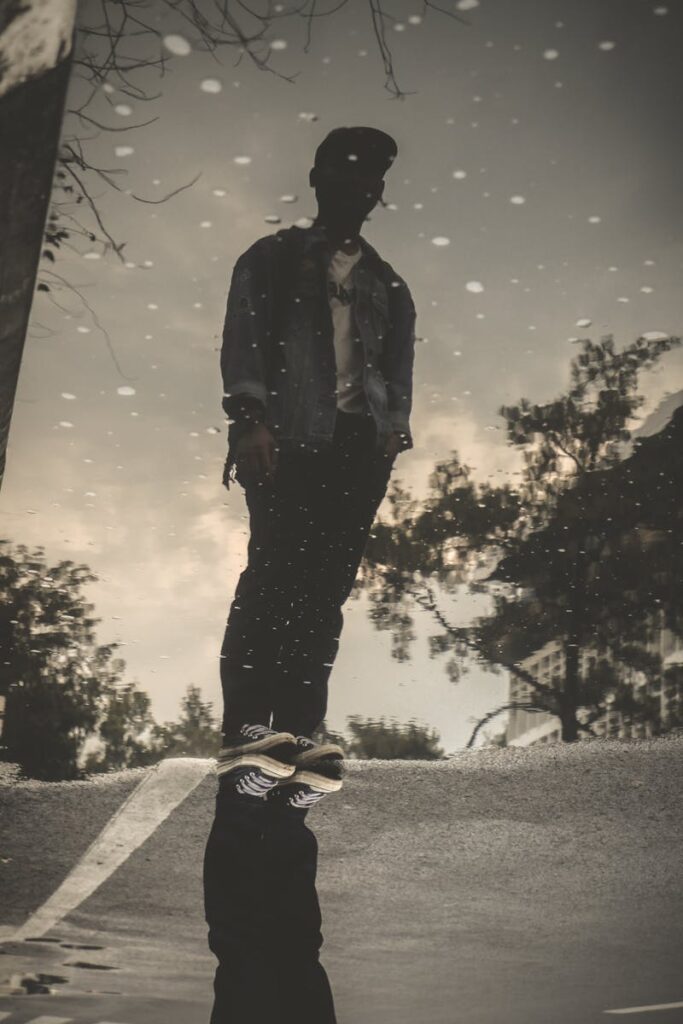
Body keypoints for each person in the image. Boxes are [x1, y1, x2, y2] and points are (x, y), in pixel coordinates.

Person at [203, 125, 417, 1024]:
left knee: (322, 593)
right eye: (346, 172)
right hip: (289, 442)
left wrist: (387, 445)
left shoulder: (388, 286)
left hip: (353, 458)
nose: (358, 188)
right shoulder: (273, 259)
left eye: (371, 179)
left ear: (376, 192)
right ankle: (254, 719)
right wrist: (247, 418)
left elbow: (397, 375)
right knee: (273, 578)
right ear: (321, 177)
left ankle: (300, 725)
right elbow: (243, 338)